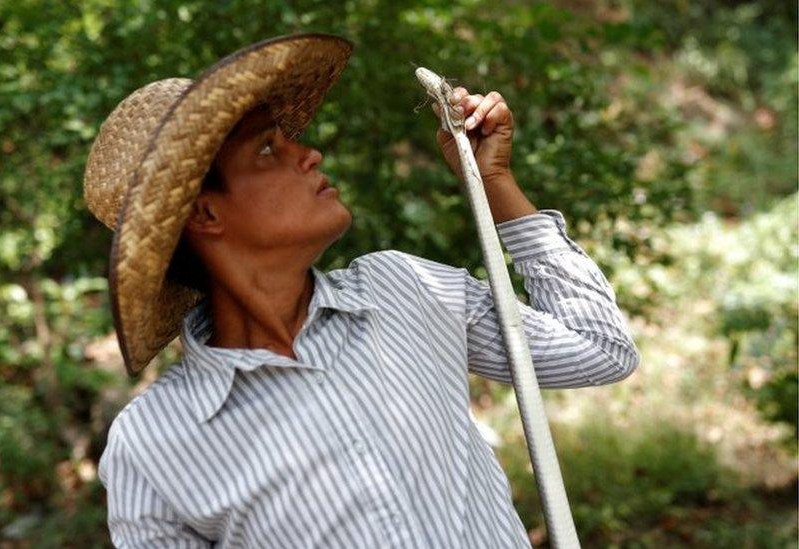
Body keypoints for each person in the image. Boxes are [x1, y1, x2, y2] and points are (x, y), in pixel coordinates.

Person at [85, 33, 640, 548]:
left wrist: (493, 183)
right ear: (205, 212)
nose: (310, 155)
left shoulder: (402, 289)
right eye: (266, 151)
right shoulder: (153, 448)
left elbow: (600, 350)